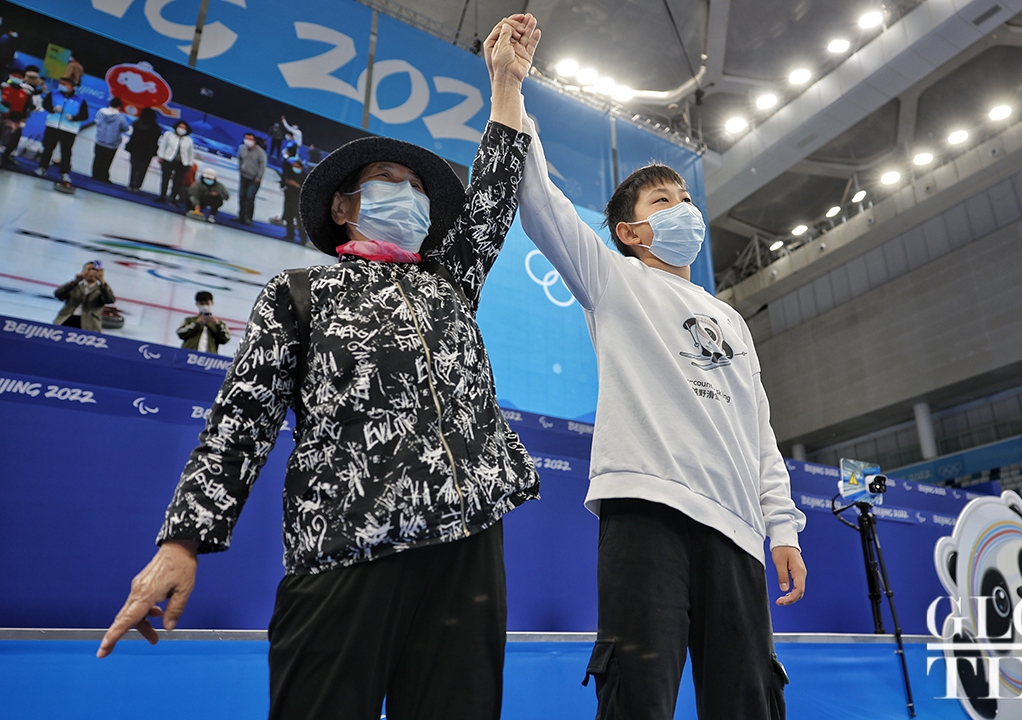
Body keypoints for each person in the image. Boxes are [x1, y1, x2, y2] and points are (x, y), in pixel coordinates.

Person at [97, 15, 543, 720]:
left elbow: (492, 194)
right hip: (343, 544)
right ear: (342, 205)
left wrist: (506, 85)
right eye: (387, 179)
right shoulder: (299, 293)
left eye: (417, 186)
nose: (408, 193)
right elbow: (240, 422)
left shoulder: (449, 281)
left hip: (467, 549)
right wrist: (183, 540)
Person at [512, 46, 808, 719]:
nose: (683, 209)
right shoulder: (614, 281)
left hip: (738, 529)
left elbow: (759, 434)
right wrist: (512, 90)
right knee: (638, 699)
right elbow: (540, 204)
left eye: (685, 198)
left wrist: (783, 530)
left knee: (750, 702)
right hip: (647, 511)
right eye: (663, 200)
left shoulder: (732, 320)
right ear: (629, 231)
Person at [36, 77, 88, 191]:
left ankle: (64, 173)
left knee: (66, 152)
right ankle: (42, 167)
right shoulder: (53, 94)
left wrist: (74, 118)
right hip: (53, 125)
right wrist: (53, 108)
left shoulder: (80, 100)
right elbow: (45, 105)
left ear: (72, 87)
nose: (62, 86)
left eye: (65, 84)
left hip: (69, 129)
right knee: (48, 148)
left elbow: (85, 115)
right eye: (61, 84)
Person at [53, 260, 115, 331]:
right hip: (66, 319)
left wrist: (102, 281)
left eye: (94, 270)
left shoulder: (102, 289)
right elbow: (58, 294)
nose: (91, 272)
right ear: (83, 271)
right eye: (89, 269)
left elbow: (110, 300)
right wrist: (75, 282)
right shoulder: (74, 286)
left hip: (90, 325)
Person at [0, 64, 42, 168]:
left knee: (13, 141)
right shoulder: (3, 87)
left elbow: (28, 107)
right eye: (15, 75)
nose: (17, 78)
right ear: (10, 75)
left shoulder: (26, 92)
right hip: (1, 117)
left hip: (15, 120)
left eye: (19, 77)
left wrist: (22, 118)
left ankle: (4, 158)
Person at [91, 97, 129, 183]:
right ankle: (103, 177)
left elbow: (97, 122)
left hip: (100, 141)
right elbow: (126, 128)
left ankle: (95, 175)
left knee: (97, 159)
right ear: (119, 107)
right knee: (107, 162)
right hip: (112, 144)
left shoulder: (100, 112)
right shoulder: (120, 117)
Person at [156, 119, 194, 206]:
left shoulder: (189, 140)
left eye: (184, 128)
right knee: (165, 179)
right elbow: (163, 146)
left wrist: (190, 163)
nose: (181, 129)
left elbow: (190, 153)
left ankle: (172, 198)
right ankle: (162, 196)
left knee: (178, 182)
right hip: (168, 160)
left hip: (182, 163)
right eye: (180, 127)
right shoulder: (168, 135)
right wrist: (161, 156)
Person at [125, 108, 161, 192]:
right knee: (143, 169)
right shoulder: (156, 128)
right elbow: (155, 140)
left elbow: (133, 137)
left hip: (135, 149)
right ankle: (137, 186)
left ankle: (131, 184)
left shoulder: (136, 123)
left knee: (134, 168)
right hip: (147, 152)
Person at [236, 132, 266, 224]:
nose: (247, 141)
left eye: (250, 139)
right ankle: (241, 215)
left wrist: (259, 177)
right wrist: (240, 169)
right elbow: (240, 159)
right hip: (244, 176)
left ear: (254, 140)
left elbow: (262, 166)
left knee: (249, 197)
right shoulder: (242, 148)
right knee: (242, 196)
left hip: (254, 179)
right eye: (246, 138)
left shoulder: (260, 152)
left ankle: (248, 217)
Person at [279, 152, 306, 242]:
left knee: (299, 219)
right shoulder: (290, 173)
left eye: (296, 166)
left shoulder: (304, 177)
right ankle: (290, 234)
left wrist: (297, 185)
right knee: (289, 216)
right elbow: (283, 182)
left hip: (298, 200)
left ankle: (303, 237)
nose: (294, 167)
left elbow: (305, 189)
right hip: (288, 197)